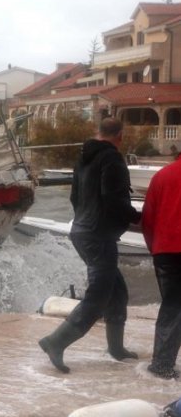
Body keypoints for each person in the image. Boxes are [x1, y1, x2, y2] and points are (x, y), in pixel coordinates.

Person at [39, 117, 141, 373]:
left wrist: (88, 220)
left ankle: (116, 349)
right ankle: (56, 341)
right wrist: (139, 218)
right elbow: (113, 199)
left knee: (117, 292)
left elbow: (75, 197)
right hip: (98, 235)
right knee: (98, 295)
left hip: (82, 230)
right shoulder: (113, 159)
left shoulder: (83, 158)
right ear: (119, 135)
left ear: (98, 133)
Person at [141, 152, 181, 380]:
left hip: (165, 250)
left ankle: (162, 363)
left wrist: (154, 248)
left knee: (172, 305)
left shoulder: (162, 176)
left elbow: (148, 218)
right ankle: (162, 365)